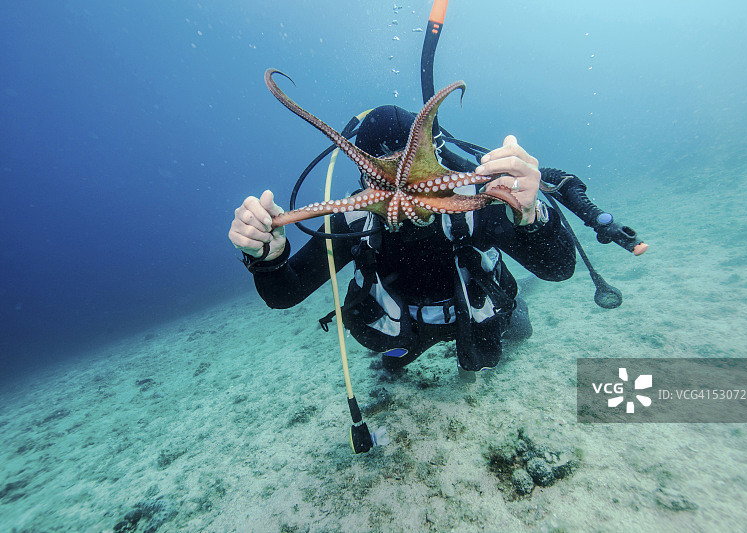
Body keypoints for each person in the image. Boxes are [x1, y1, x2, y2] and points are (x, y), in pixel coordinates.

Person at [228, 105, 576, 376]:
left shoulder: (477, 205)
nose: (403, 190)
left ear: (437, 159)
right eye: (382, 177)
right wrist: (267, 260)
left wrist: (532, 216)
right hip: (404, 330)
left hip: (478, 312)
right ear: (364, 178)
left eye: (414, 171)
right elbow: (285, 294)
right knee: (391, 363)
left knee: (514, 334)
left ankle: (514, 311)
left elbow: (560, 268)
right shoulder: (353, 222)